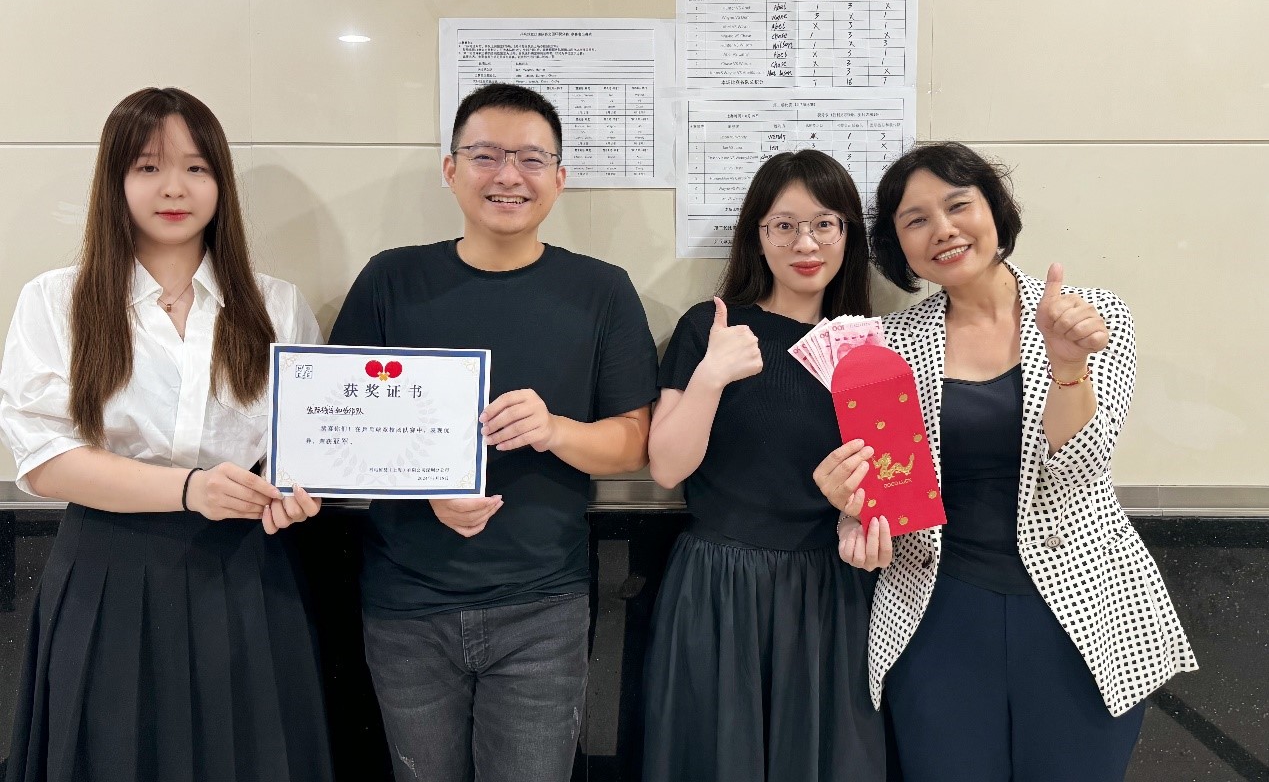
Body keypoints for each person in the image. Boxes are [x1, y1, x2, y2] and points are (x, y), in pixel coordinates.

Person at [821, 142, 1197, 782]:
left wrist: (1067, 365)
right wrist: (854, 512)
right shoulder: (889, 345)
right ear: (899, 247)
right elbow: (894, 492)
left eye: (958, 204)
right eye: (915, 220)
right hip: (935, 614)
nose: (942, 229)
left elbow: (1079, 465)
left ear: (994, 210)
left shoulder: (1089, 317)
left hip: (1082, 613)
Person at [0, 87, 333, 782]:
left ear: (221, 183)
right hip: (106, 570)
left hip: (246, 572)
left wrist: (297, 493)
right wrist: (188, 489)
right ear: (114, 180)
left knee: (249, 758)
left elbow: (307, 447)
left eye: (196, 167)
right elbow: (43, 457)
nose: (173, 187)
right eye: (148, 167)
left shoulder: (276, 305)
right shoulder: (55, 299)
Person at [329, 83, 658, 782]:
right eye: (485, 156)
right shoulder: (392, 280)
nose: (508, 175)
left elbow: (635, 441)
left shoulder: (601, 291)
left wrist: (556, 429)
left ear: (559, 179)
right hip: (405, 603)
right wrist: (427, 494)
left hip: (543, 605)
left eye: (531, 159)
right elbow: (337, 432)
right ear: (450, 171)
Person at [642, 150, 886, 782]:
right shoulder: (711, 327)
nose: (805, 242)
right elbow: (667, 468)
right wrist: (712, 375)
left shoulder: (870, 346)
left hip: (832, 589)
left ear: (847, 236)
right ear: (758, 235)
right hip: (720, 584)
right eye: (784, 224)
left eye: (825, 223)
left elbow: (891, 485)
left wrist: (865, 516)